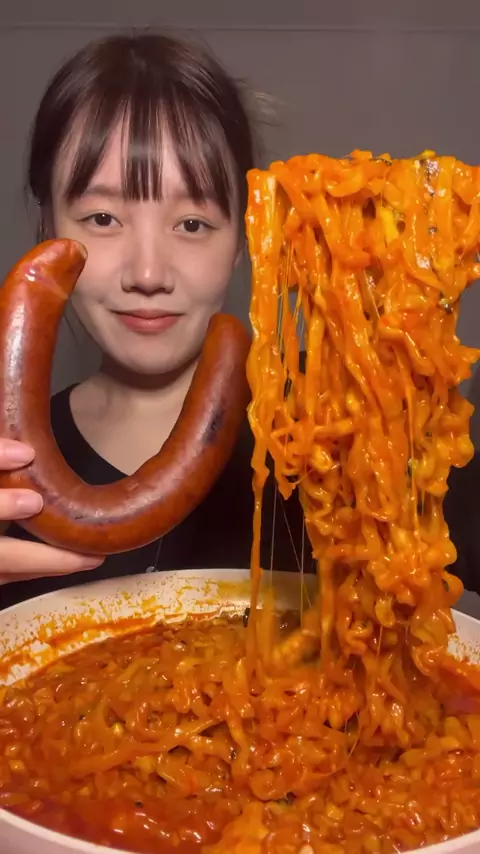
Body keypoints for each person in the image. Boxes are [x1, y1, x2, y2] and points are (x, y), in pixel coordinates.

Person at [0, 31, 310, 610]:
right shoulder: (6, 468)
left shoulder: (324, 437)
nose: (148, 273)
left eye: (192, 224)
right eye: (102, 218)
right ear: (48, 228)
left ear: (241, 240)